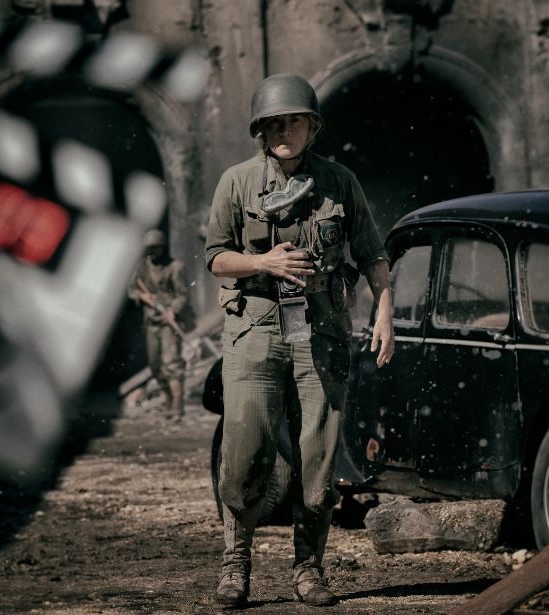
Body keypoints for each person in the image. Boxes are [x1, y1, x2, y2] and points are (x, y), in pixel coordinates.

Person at [204, 73, 394, 607]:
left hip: (323, 328)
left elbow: (372, 253)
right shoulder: (238, 182)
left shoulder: (340, 182)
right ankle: (235, 565)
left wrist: (385, 312)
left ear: (313, 125)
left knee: (319, 455)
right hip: (255, 328)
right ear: (260, 130)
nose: (284, 131)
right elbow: (216, 255)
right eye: (273, 123)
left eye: (294, 121)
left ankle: (309, 569)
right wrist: (263, 261)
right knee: (244, 455)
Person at [127, 229, 192, 420]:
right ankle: (168, 398)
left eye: (156, 248)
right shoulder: (142, 268)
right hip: (151, 322)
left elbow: (183, 295)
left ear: (163, 247)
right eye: (150, 248)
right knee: (155, 365)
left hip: (169, 323)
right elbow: (131, 289)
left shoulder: (176, 267)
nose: (153, 252)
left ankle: (177, 404)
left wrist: (172, 310)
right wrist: (142, 296)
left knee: (172, 363)